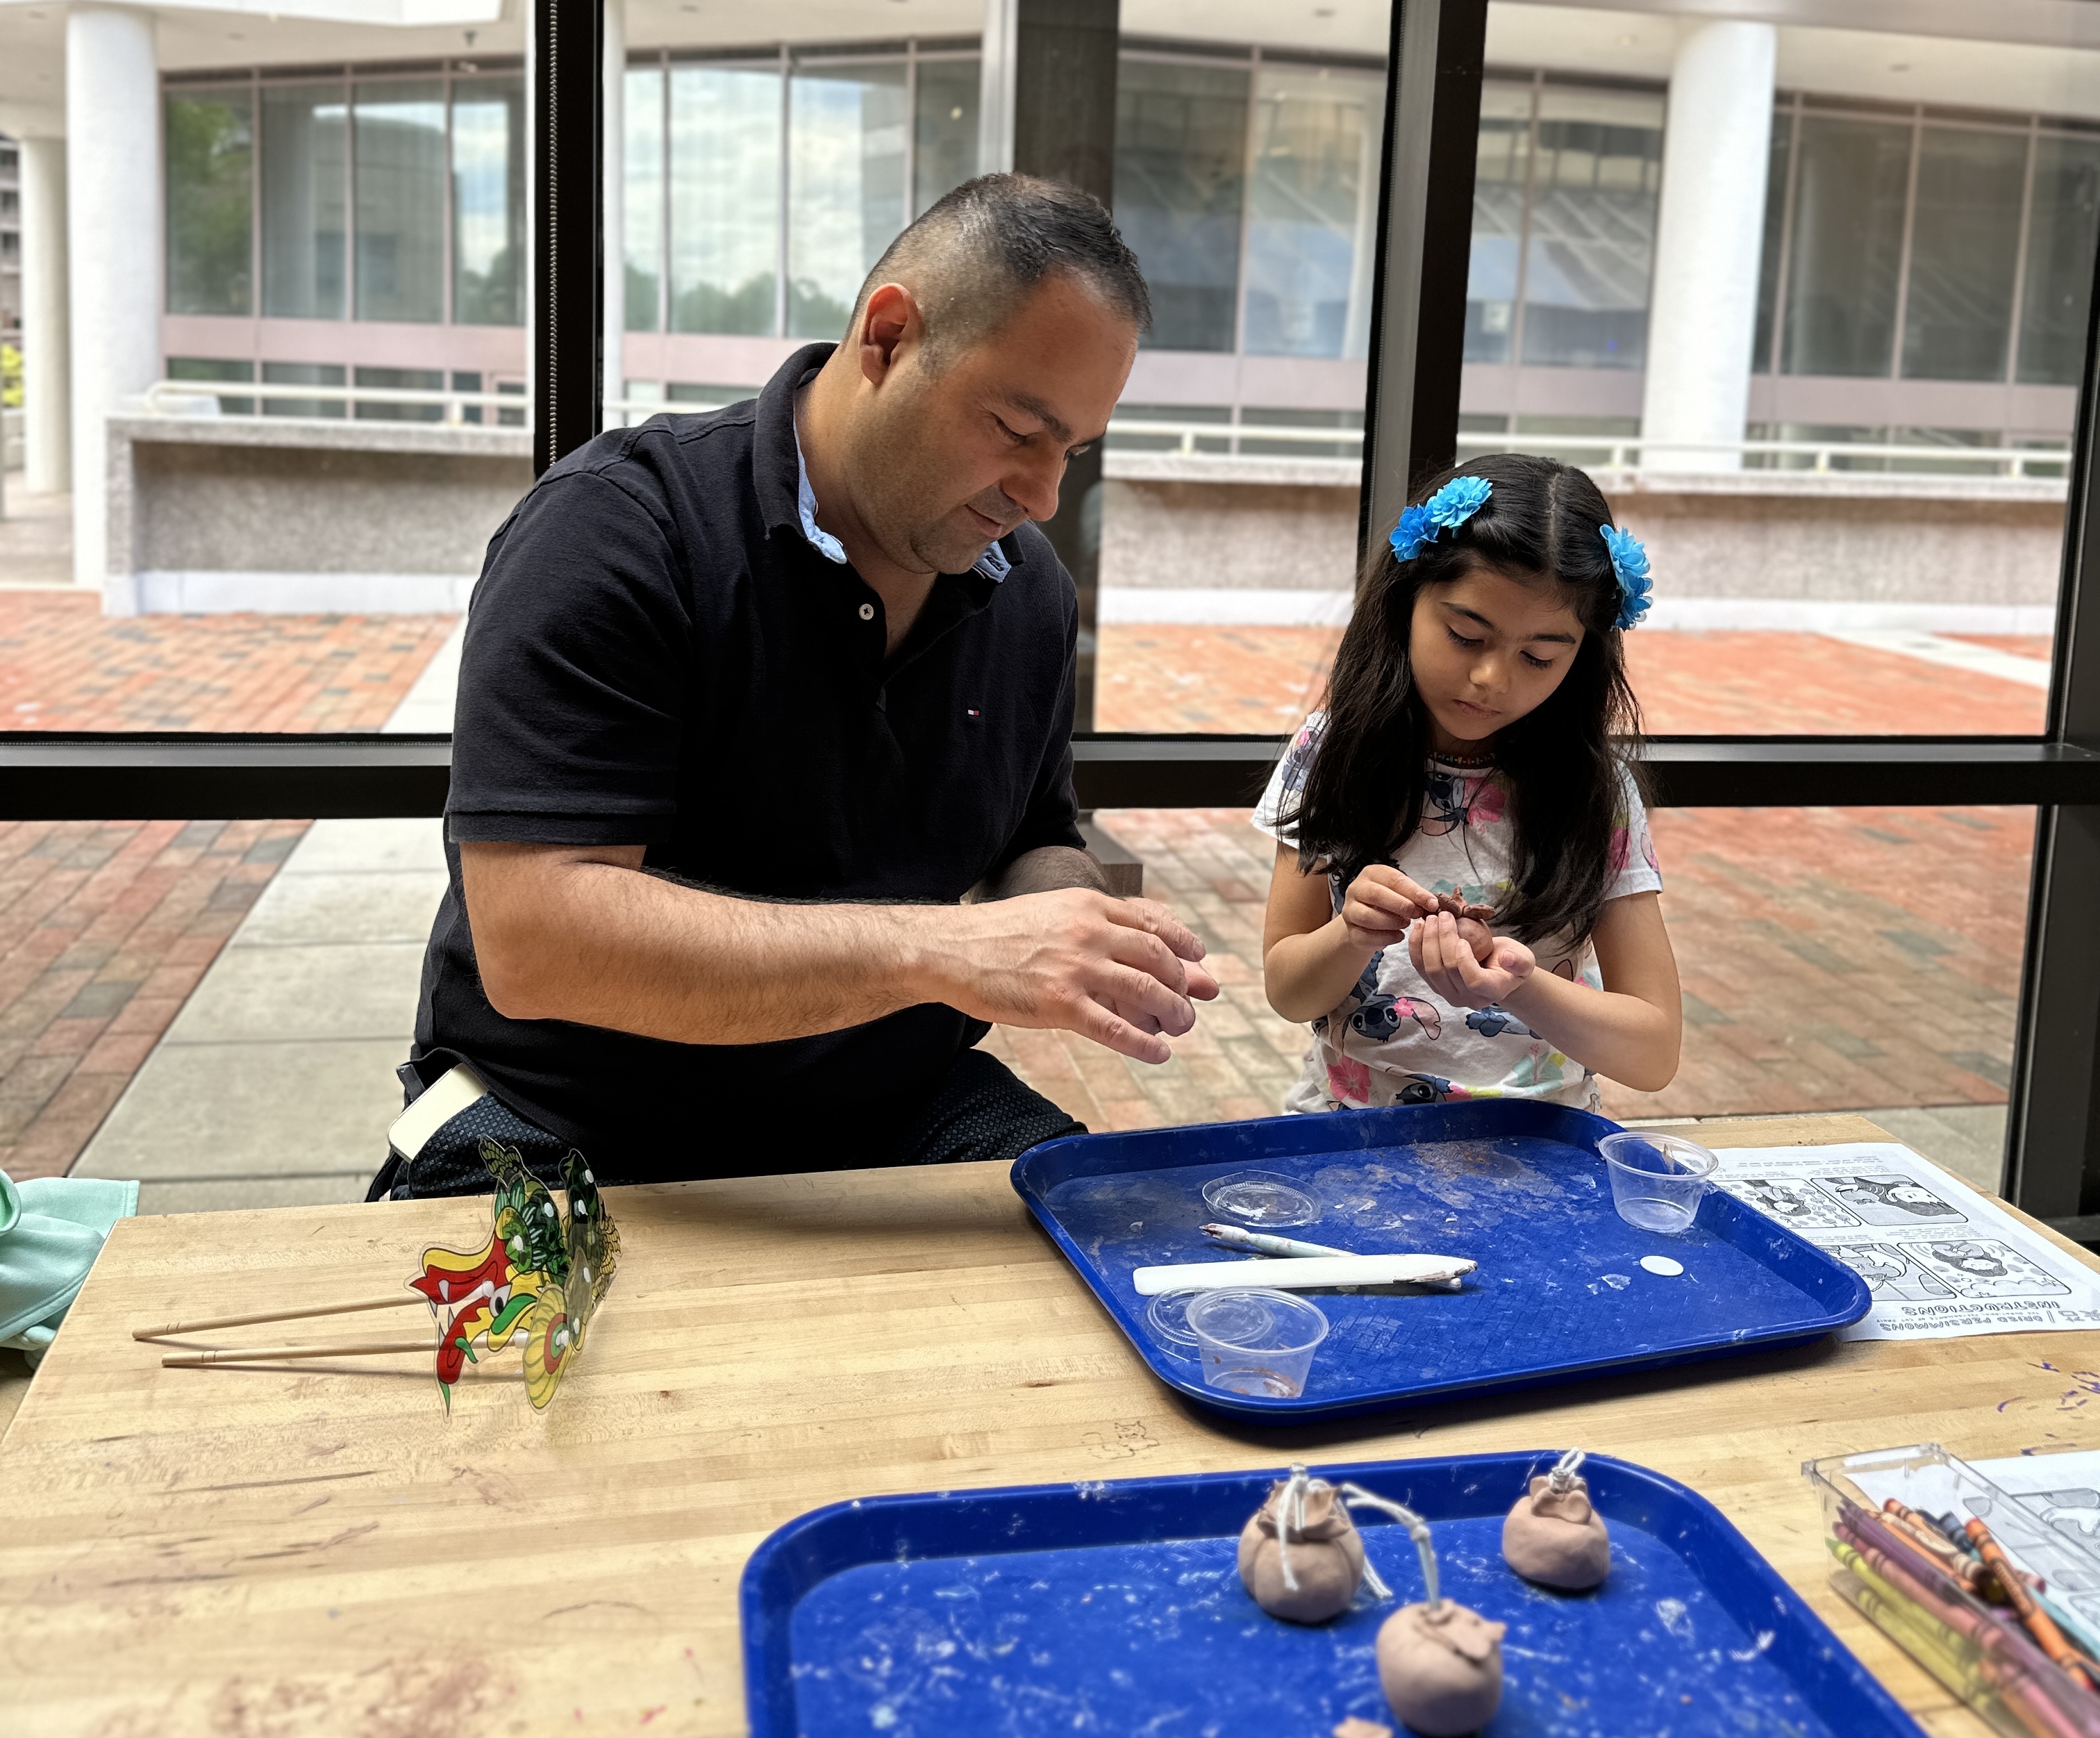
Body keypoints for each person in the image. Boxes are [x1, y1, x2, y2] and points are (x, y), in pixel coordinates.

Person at [367, 174, 1217, 1200]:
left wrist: (1078, 928)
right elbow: (536, 942)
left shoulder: (1027, 592)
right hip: (566, 1116)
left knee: (1118, 1258)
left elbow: (1036, 836)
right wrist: (943, 951)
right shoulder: (619, 531)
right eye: (1013, 428)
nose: (1041, 495)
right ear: (889, 337)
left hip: (895, 1107)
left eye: (1073, 451)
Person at [1257, 453, 1681, 1114]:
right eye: (1465, 635)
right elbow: (1288, 991)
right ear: (1406, 604)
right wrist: (1351, 935)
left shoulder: (1595, 792)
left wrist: (1518, 985)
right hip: (1350, 1133)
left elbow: (1653, 1052)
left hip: (1537, 1140)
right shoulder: (1330, 752)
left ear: (1583, 653)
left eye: (1539, 656)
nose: (1493, 679)